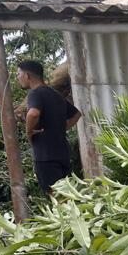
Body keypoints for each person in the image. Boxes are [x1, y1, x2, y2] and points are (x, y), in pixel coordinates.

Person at [17, 60, 81, 191]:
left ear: (27, 75)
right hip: (62, 154)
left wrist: (29, 132)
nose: (17, 77)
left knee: (55, 196)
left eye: (19, 74)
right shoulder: (55, 94)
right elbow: (76, 114)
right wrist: (60, 128)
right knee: (66, 195)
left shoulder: (35, 93)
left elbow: (33, 113)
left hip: (46, 156)